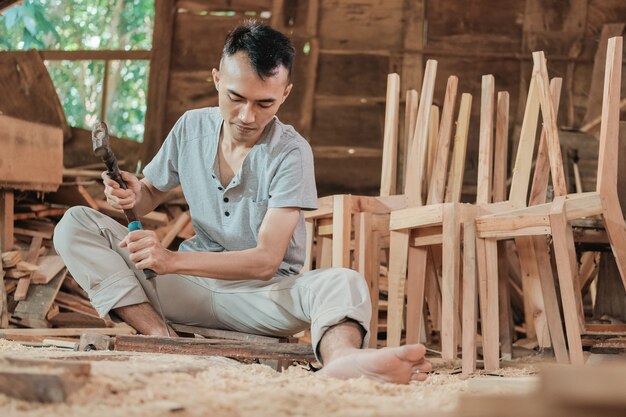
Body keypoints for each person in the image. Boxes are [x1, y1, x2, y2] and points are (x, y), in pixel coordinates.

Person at [54, 20, 431, 384]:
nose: (248, 116)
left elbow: (267, 261)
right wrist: (133, 194)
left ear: (285, 93)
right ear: (217, 79)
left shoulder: (291, 153)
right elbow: (149, 193)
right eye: (235, 98)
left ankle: (343, 360)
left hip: (261, 300)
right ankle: (161, 336)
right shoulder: (191, 128)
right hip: (186, 289)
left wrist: (170, 260)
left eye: (264, 103)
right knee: (76, 223)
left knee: (343, 283)